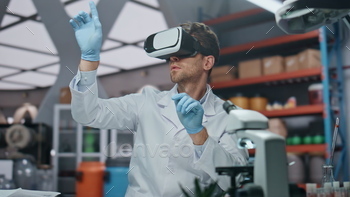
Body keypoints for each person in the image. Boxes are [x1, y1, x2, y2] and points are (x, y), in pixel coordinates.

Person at [69, 2, 248, 196]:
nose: (174, 58)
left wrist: (199, 134)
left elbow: (235, 178)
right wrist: (89, 58)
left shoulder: (229, 116)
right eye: (172, 53)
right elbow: (87, 114)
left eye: (184, 51)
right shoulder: (146, 102)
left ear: (207, 61)